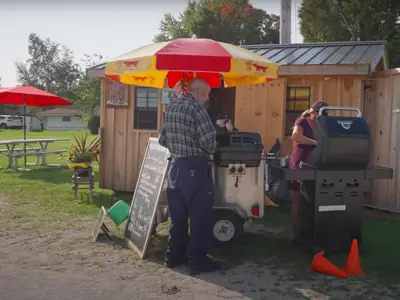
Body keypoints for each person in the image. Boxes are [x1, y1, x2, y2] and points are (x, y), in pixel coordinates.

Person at [159, 78, 222, 276]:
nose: (207, 98)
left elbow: (162, 140)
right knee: (199, 216)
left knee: (178, 218)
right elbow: (208, 143)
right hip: (195, 166)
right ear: (201, 93)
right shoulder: (197, 109)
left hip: (175, 167)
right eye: (207, 94)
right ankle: (197, 260)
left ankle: (174, 256)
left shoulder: (171, 107)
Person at [289, 101, 329, 242]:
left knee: (312, 199)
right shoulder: (301, 121)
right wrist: (315, 142)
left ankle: (311, 231)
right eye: (317, 112)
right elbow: (296, 136)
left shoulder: (323, 125)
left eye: (323, 113)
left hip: (314, 165)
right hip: (299, 163)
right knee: (297, 199)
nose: (319, 115)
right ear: (312, 111)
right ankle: (296, 231)